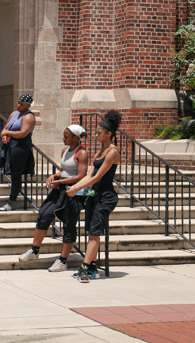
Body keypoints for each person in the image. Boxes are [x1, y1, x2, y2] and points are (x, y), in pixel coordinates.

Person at [18, 125, 89, 271]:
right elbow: (64, 171)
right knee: (44, 214)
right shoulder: (65, 150)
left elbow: (81, 176)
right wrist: (54, 176)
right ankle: (35, 251)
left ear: (75, 138)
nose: (63, 139)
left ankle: (63, 261)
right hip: (60, 189)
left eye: (66, 136)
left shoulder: (82, 153)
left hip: (73, 191)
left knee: (69, 225)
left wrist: (60, 181)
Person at [66, 110, 122, 283]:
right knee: (90, 231)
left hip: (106, 197)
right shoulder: (100, 152)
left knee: (94, 234)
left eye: (99, 133)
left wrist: (75, 189)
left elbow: (98, 177)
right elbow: (89, 176)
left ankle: (83, 269)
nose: (96, 135)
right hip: (93, 194)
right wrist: (75, 186)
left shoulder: (113, 152)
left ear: (109, 134)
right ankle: (93, 268)